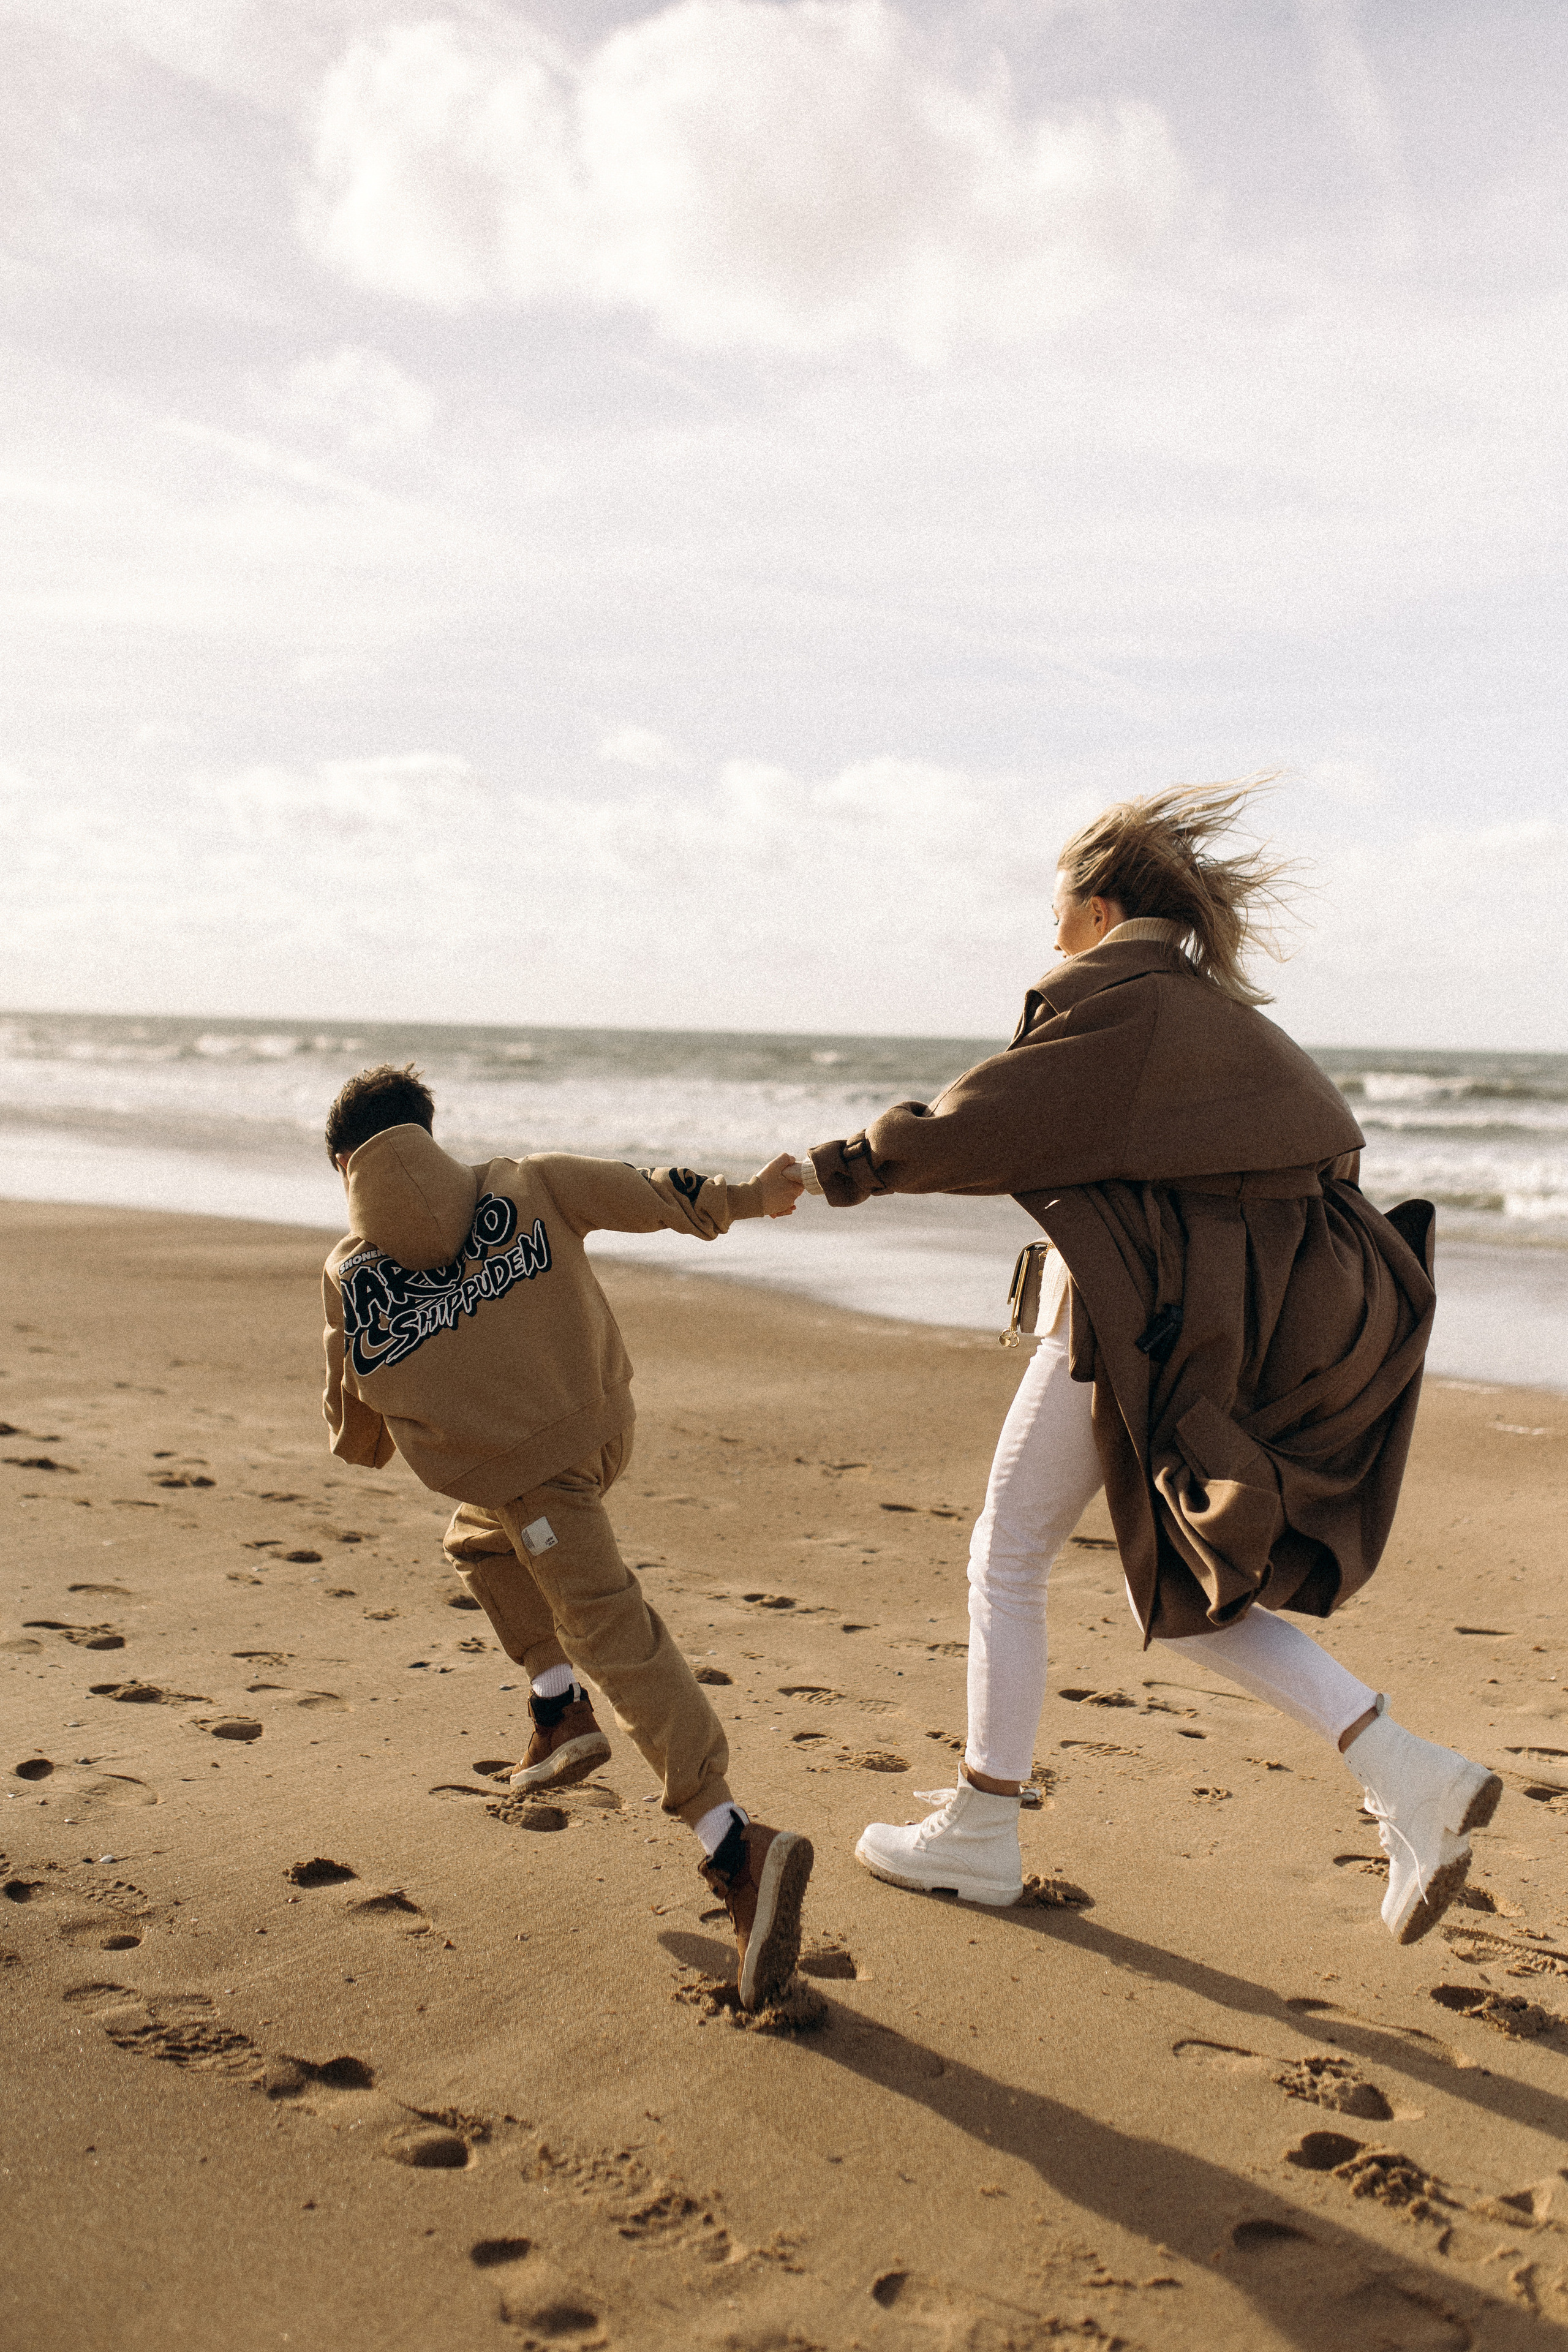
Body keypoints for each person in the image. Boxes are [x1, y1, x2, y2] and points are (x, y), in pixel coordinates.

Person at [796, 783, 1501, 1946]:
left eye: (1056, 902)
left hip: (1132, 1332)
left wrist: (849, 1166)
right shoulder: (1222, 1019)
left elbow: (988, 1120)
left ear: (1097, 902)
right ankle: (1407, 1772)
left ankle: (981, 1824)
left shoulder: (1117, 1003)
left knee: (1011, 1554)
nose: (1050, 928)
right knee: (1179, 1587)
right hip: (1217, 1332)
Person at [320, 1062, 813, 2009]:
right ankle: (560, 1715)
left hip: (536, 1487)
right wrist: (750, 1197)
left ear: (344, 1165)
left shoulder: (354, 1275)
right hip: (601, 1428)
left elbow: (360, 1434)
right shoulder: (526, 1180)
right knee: (478, 1544)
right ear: (430, 1129)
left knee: (609, 1632)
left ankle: (735, 1843)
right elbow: (646, 1192)